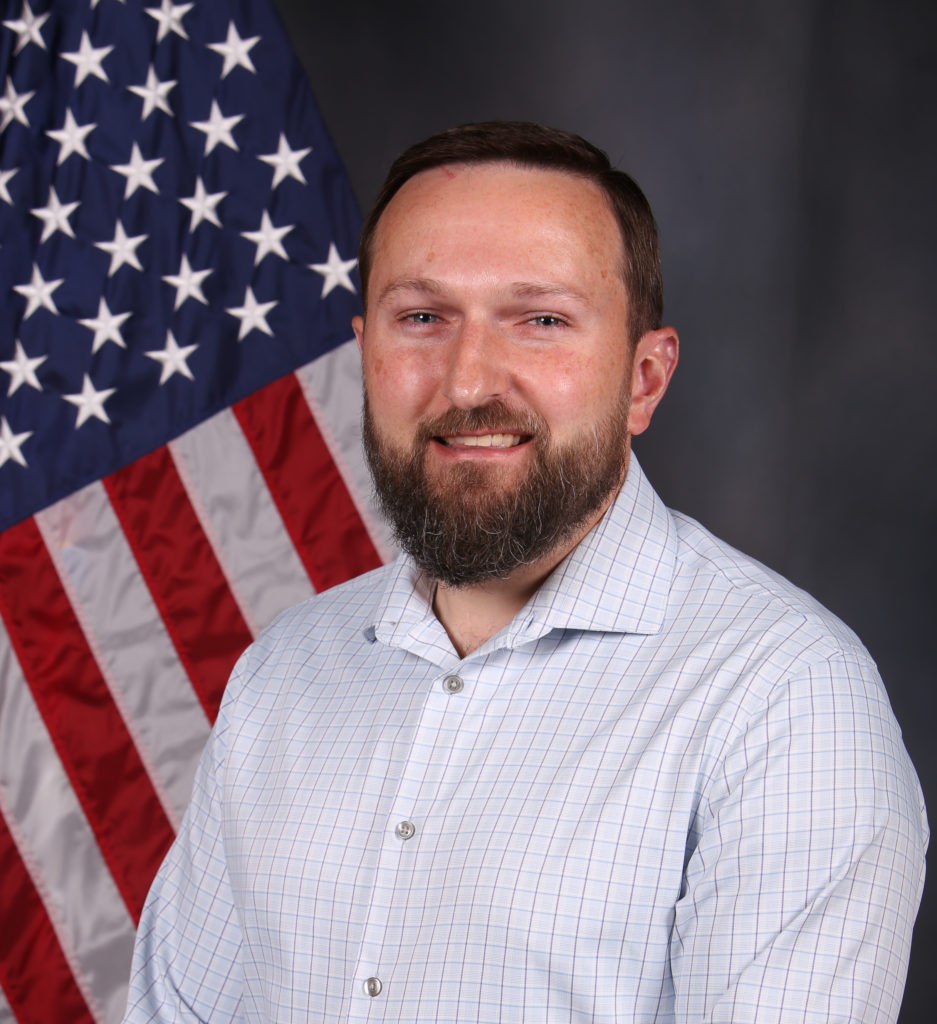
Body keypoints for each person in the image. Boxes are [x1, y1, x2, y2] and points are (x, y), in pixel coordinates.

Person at [123, 122, 927, 1023]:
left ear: (645, 378)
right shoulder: (284, 668)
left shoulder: (783, 697)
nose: (468, 382)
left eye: (540, 320)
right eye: (422, 317)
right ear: (366, 354)